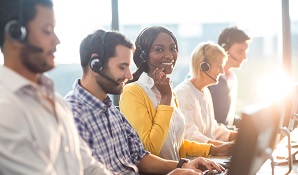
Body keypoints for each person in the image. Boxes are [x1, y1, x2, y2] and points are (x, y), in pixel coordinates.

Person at [64, 29, 225, 175]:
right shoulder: (71, 116)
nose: (129, 75)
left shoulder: (111, 111)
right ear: (95, 64)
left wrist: (183, 165)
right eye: (122, 67)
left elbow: (140, 156)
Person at [0, 0, 112, 174]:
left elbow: (88, 165)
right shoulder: (5, 108)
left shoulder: (56, 101)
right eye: (47, 30)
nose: (57, 40)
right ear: (15, 34)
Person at [119, 26, 233, 162]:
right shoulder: (133, 92)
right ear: (143, 55)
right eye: (159, 49)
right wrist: (166, 99)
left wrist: (214, 150)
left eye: (172, 48)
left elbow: (176, 142)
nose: (169, 55)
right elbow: (149, 150)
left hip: (182, 169)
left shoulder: (168, 89)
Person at [174, 42, 238, 146]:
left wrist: (240, 136)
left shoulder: (205, 91)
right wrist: (221, 147)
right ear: (204, 66)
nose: (222, 72)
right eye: (219, 67)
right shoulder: (183, 93)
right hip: (194, 159)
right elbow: (189, 136)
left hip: (209, 155)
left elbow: (213, 130)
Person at [208, 27, 251, 127]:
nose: (244, 57)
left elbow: (225, 118)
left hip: (225, 136)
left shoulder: (232, 78)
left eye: (246, 52)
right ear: (224, 49)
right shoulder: (209, 79)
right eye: (240, 51)